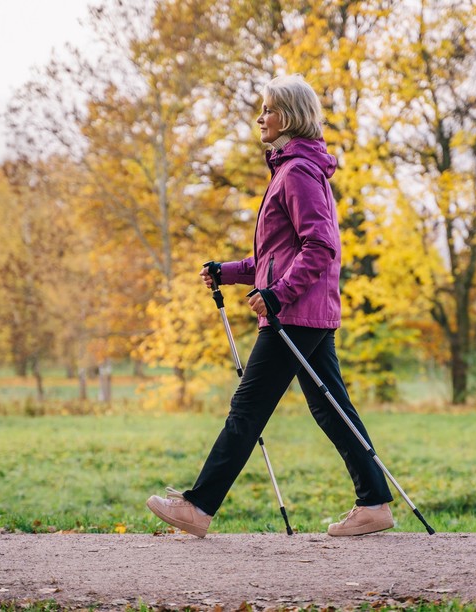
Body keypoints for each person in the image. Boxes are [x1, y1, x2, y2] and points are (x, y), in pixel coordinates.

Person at [146, 74, 394, 538]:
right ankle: (375, 503)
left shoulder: (298, 171)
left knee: (247, 409)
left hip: (294, 313)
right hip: (305, 311)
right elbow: (272, 258)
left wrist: (278, 295)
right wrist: (229, 270)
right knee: (330, 407)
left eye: (268, 109)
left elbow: (320, 246)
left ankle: (198, 508)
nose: (260, 117)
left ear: (290, 116)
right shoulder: (290, 169)